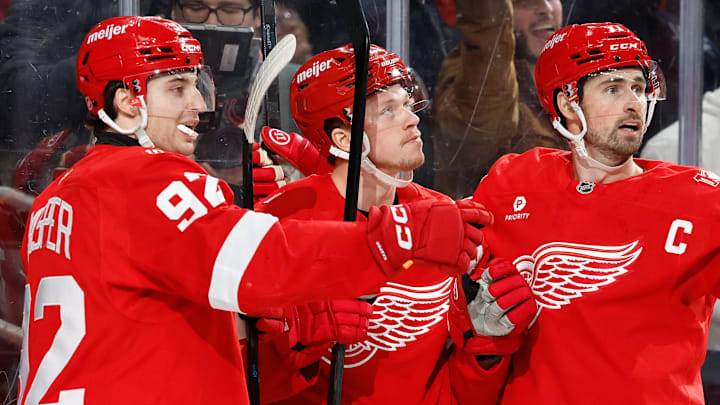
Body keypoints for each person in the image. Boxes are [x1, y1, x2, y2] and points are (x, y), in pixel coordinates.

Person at [17, 16, 491, 405]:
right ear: (125, 101)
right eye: (177, 88)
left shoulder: (57, 196)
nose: (199, 104)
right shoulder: (146, 178)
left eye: (196, 84)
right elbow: (266, 266)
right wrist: (396, 237)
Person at [253, 44, 537, 404]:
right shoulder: (281, 220)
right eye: (388, 111)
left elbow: (448, 384)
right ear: (343, 139)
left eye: (406, 104)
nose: (412, 118)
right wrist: (295, 349)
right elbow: (242, 378)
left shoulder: (440, 215)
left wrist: (485, 351)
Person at [471, 22, 720, 404]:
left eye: (638, 87)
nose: (634, 102)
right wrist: (474, 329)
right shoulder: (511, 183)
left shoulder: (702, 200)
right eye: (613, 88)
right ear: (568, 103)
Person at [432, 0, 567, 199]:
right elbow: (481, 127)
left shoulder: (572, 74)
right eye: (526, 2)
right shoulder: (471, 75)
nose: (546, 10)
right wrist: (488, 21)